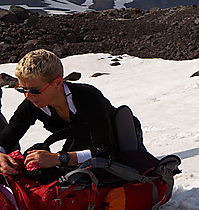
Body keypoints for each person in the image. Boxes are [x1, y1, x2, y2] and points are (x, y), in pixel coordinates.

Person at [0, 49, 125, 181]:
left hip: (117, 152)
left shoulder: (88, 97)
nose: (28, 96)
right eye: (22, 89)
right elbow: (8, 137)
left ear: (58, 83)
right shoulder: (34, 102)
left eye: (35, 90)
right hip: (81, 147)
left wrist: (58, 158)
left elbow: (104, 151)